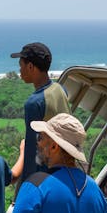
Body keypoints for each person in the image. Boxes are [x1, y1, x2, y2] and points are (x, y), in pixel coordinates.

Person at [11, 42, 70, 182]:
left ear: (30, 66)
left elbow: (32, 150)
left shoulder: (34, 103)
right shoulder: (60, 89)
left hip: (46, 173)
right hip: (66, 166)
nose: (20, 71)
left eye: (21, 66)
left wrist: (27, 184)